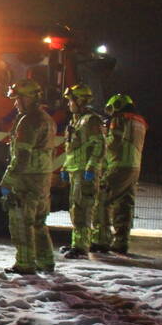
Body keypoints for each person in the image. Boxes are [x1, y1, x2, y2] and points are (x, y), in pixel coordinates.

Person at [0, 78, 56, 274]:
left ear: (27, 98)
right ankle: (46, 260)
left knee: (21, 222)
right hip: (42, 177)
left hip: (26, 178)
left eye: (18, 99)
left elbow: (22, 156)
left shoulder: (28, 121)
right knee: (39, 222)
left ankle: (24, 263)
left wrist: (7, 181)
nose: (15, 103)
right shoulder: (46, 118)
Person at [93, 93, 147, 254]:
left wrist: (103, 136)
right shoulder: (140, 121)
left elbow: (113, 143)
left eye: (111, 108)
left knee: (102, 199)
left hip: (118, 165)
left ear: (117, 105)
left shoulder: (120, 119)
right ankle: (121, 242)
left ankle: (101, 240)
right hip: (134, 167)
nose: (110, 113)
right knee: (124, 205)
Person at [59, 84, 105, 259]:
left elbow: (99, 145)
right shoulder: (75, 120)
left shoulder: (91, 120)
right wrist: (65, 167)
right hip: (75, 170)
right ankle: (76, 244)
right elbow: (71, 148)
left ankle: (81, 247)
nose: (69, 104)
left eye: (71, 100)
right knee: (75, 209)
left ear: (80, 100)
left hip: (85, 172)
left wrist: (92, 168)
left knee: (83, 209)